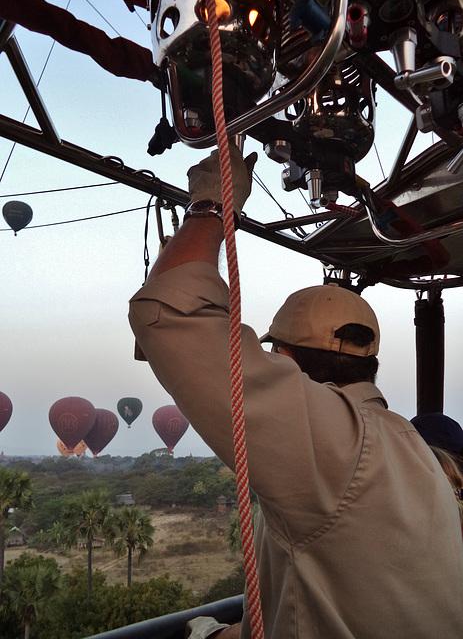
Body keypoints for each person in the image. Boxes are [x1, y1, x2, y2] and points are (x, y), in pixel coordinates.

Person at [129, 143, 463, 638]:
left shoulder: (333, 446)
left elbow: (170, 313)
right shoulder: (406, 444)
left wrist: (211, 205)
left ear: (284, 360)